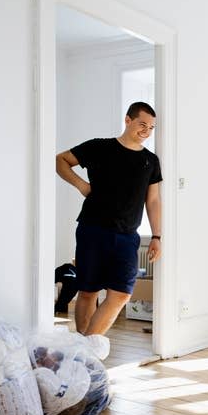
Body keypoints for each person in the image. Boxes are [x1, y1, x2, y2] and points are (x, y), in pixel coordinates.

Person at [56, 101, 163, 336]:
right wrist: (82, 185)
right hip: (92, 229)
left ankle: (88, 346)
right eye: (142, 124)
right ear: (128, 120)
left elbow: (153, 200)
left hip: (127, 236)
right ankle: (85, 352)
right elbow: (60, 160)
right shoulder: (99, 147)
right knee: (88, 291)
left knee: (122, 294)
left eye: (151, 128)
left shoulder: (151, 161)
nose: (146, 131)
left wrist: (156, 235)